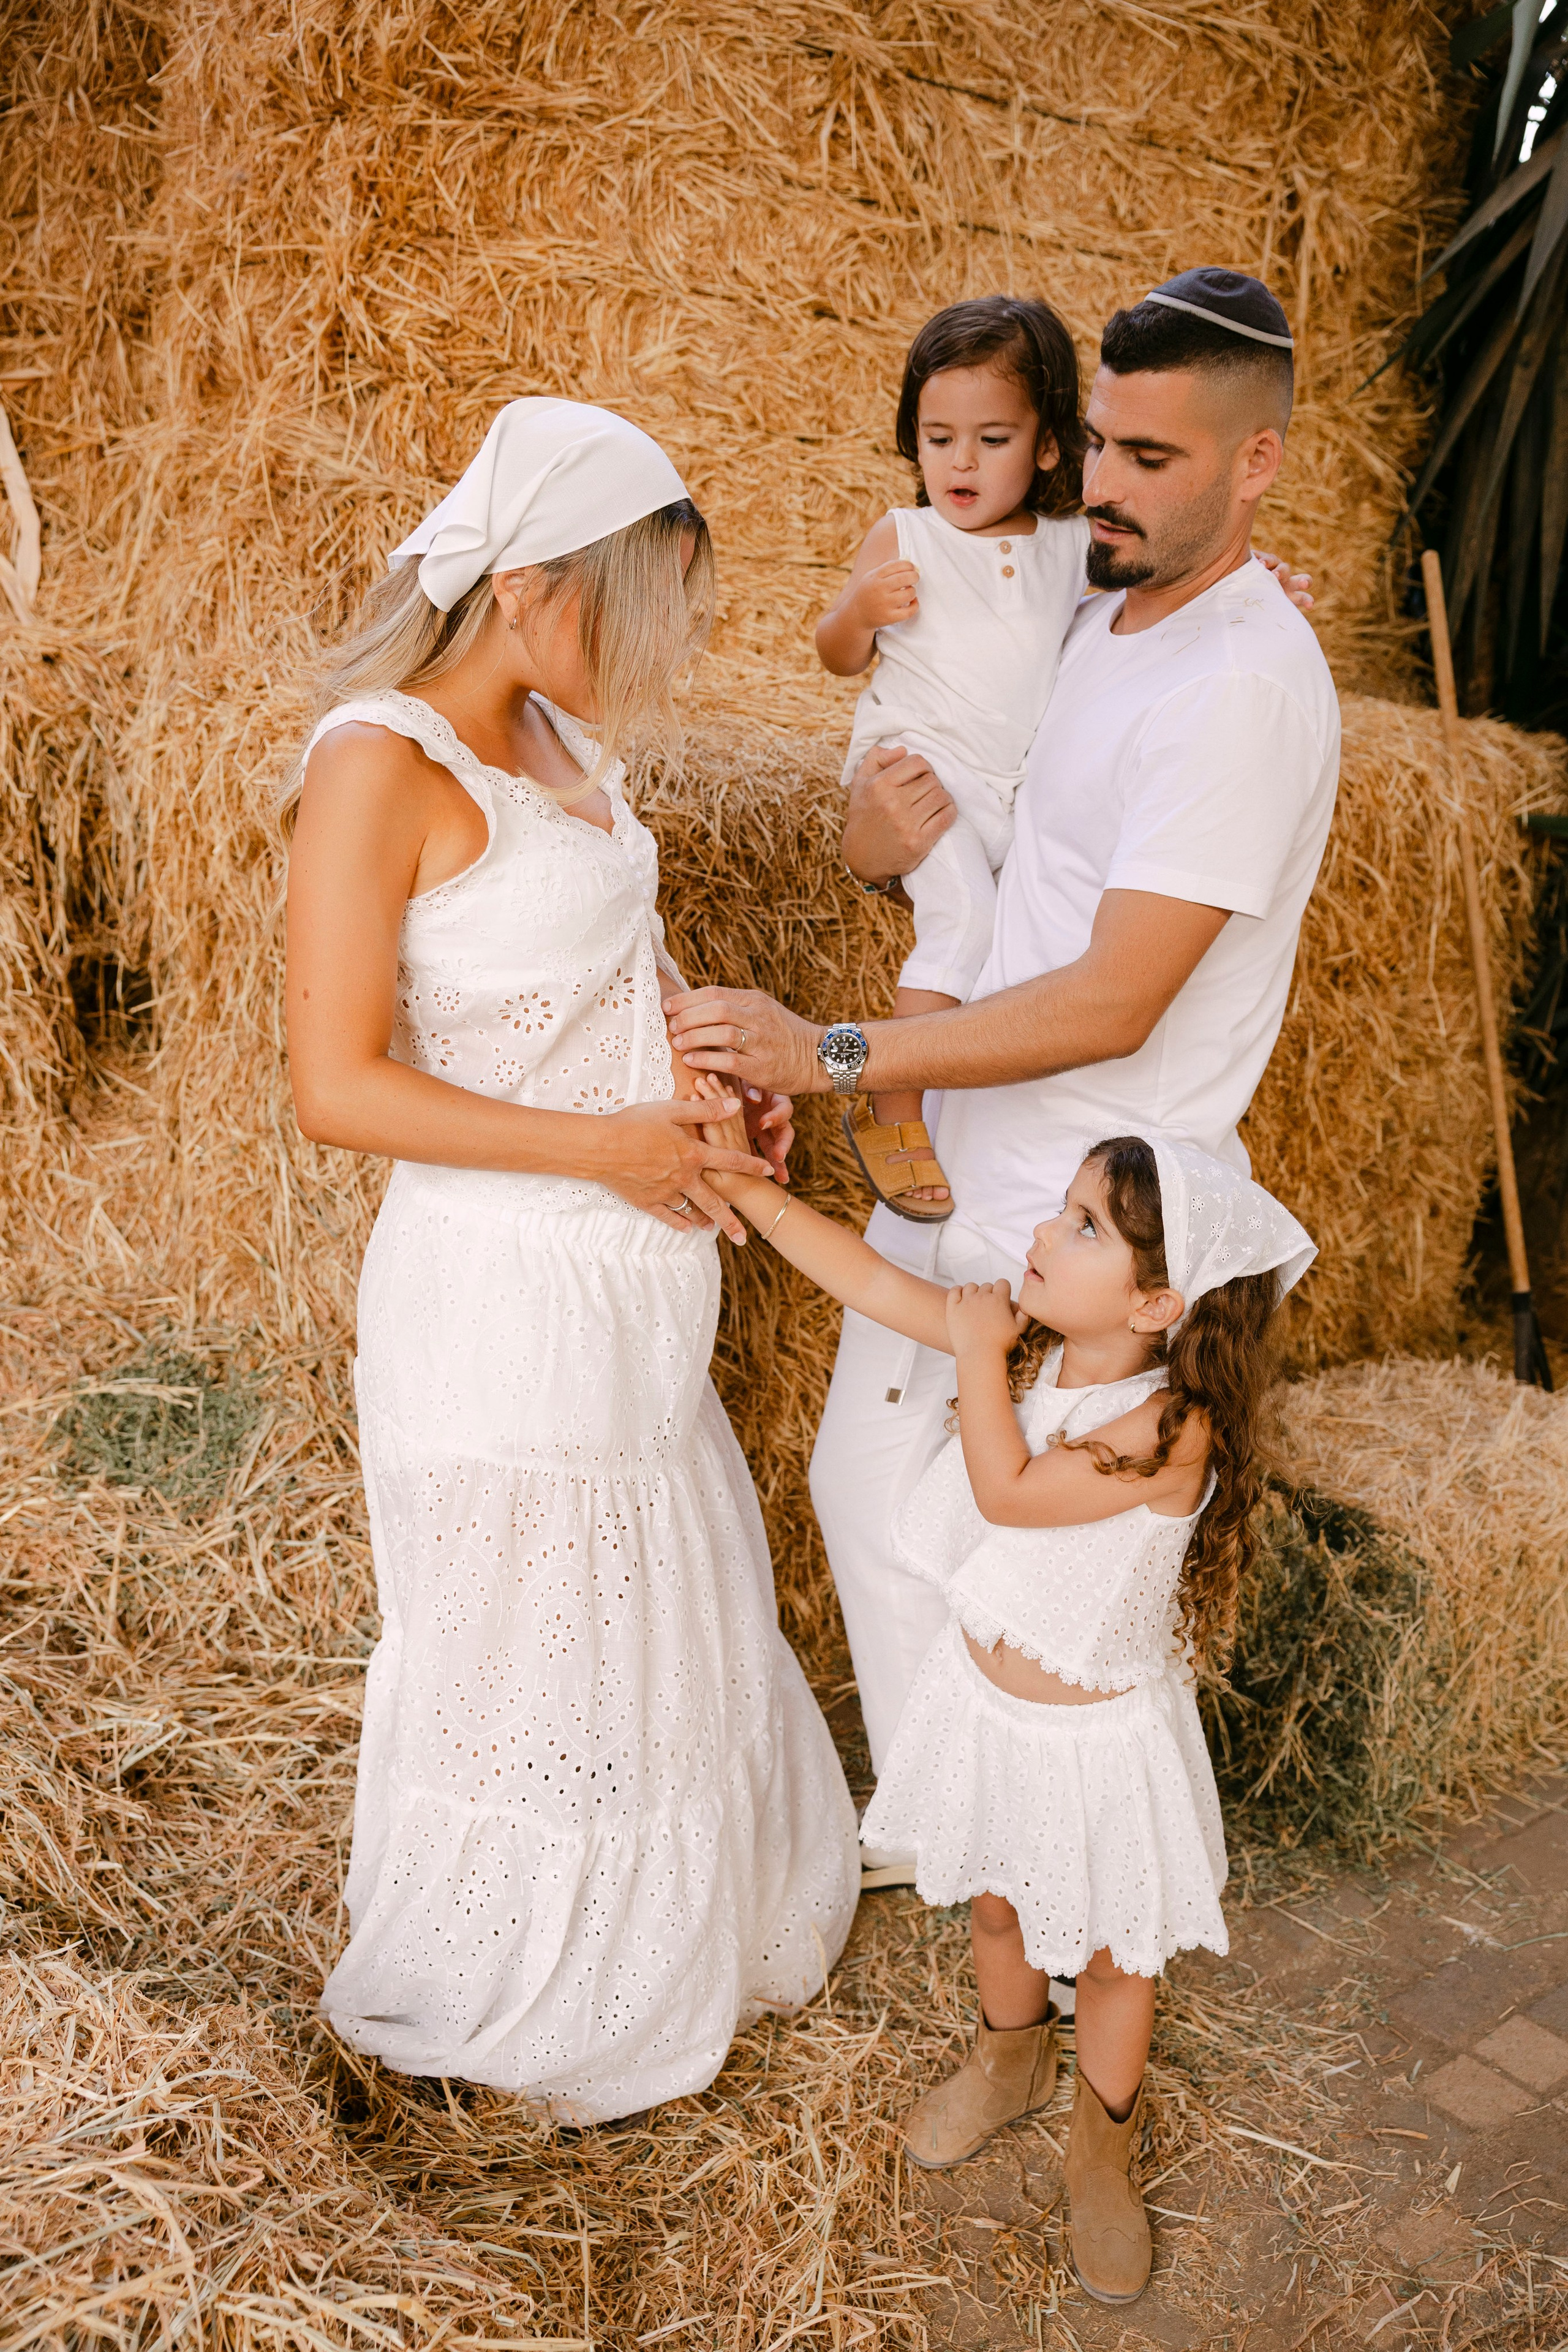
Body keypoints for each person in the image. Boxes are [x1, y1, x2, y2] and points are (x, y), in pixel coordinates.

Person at [665, 270, 1341, 1892]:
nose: (1101, 484)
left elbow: (1114, 999)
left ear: (1258, 467)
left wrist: (833, 1056)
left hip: (1087, 1220)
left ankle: (1032, 1885)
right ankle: (969, 1851)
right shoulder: (1096, 614)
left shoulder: (1247, 686)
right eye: (1098, 443)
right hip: (960, 1162)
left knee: (1038, 1571)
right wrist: (868, 841)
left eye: (1156, 460)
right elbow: (922, 827)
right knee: (875, 1495)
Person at [284, 397, 860, 2124]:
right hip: (500, 1301)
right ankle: (523, 1986)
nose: (673, 654)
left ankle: (660, 1940)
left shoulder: (571, 754)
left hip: (632, 1301)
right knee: (525, 1642)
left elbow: (630, 977)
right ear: (533, 585)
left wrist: (706, 1108)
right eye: (650, 608)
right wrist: (609, 1151)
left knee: (644, 1616)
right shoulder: (381, 762)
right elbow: (336, 1085)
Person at [693, 1097, 1314, 2305]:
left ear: (1155, 1305)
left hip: (1093, 1742)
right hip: (990, 1712)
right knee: (993, 1909)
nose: (1043, 1229)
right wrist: (751, 1195)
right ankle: (1008, 2061)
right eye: (1062, 1205)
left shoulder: (1169, 1429)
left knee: (1105, 1953)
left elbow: (1013, 1492)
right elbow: (876, 1286)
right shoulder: (1027, 1344)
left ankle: (1100, 2142)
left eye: (1084, 1226)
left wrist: (975, 1354)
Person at [815, 295, 1088, 1218]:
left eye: (992, 439)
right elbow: (835, 654)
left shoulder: (1072, 547)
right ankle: (889, 1095)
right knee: (965, 918)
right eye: (938, 439)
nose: (959, 463)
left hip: (1006, 786)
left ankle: (934, 1096)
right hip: (918, 770)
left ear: (1049, 446)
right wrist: (859, 615)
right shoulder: (907, 536)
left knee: (1012, 940)